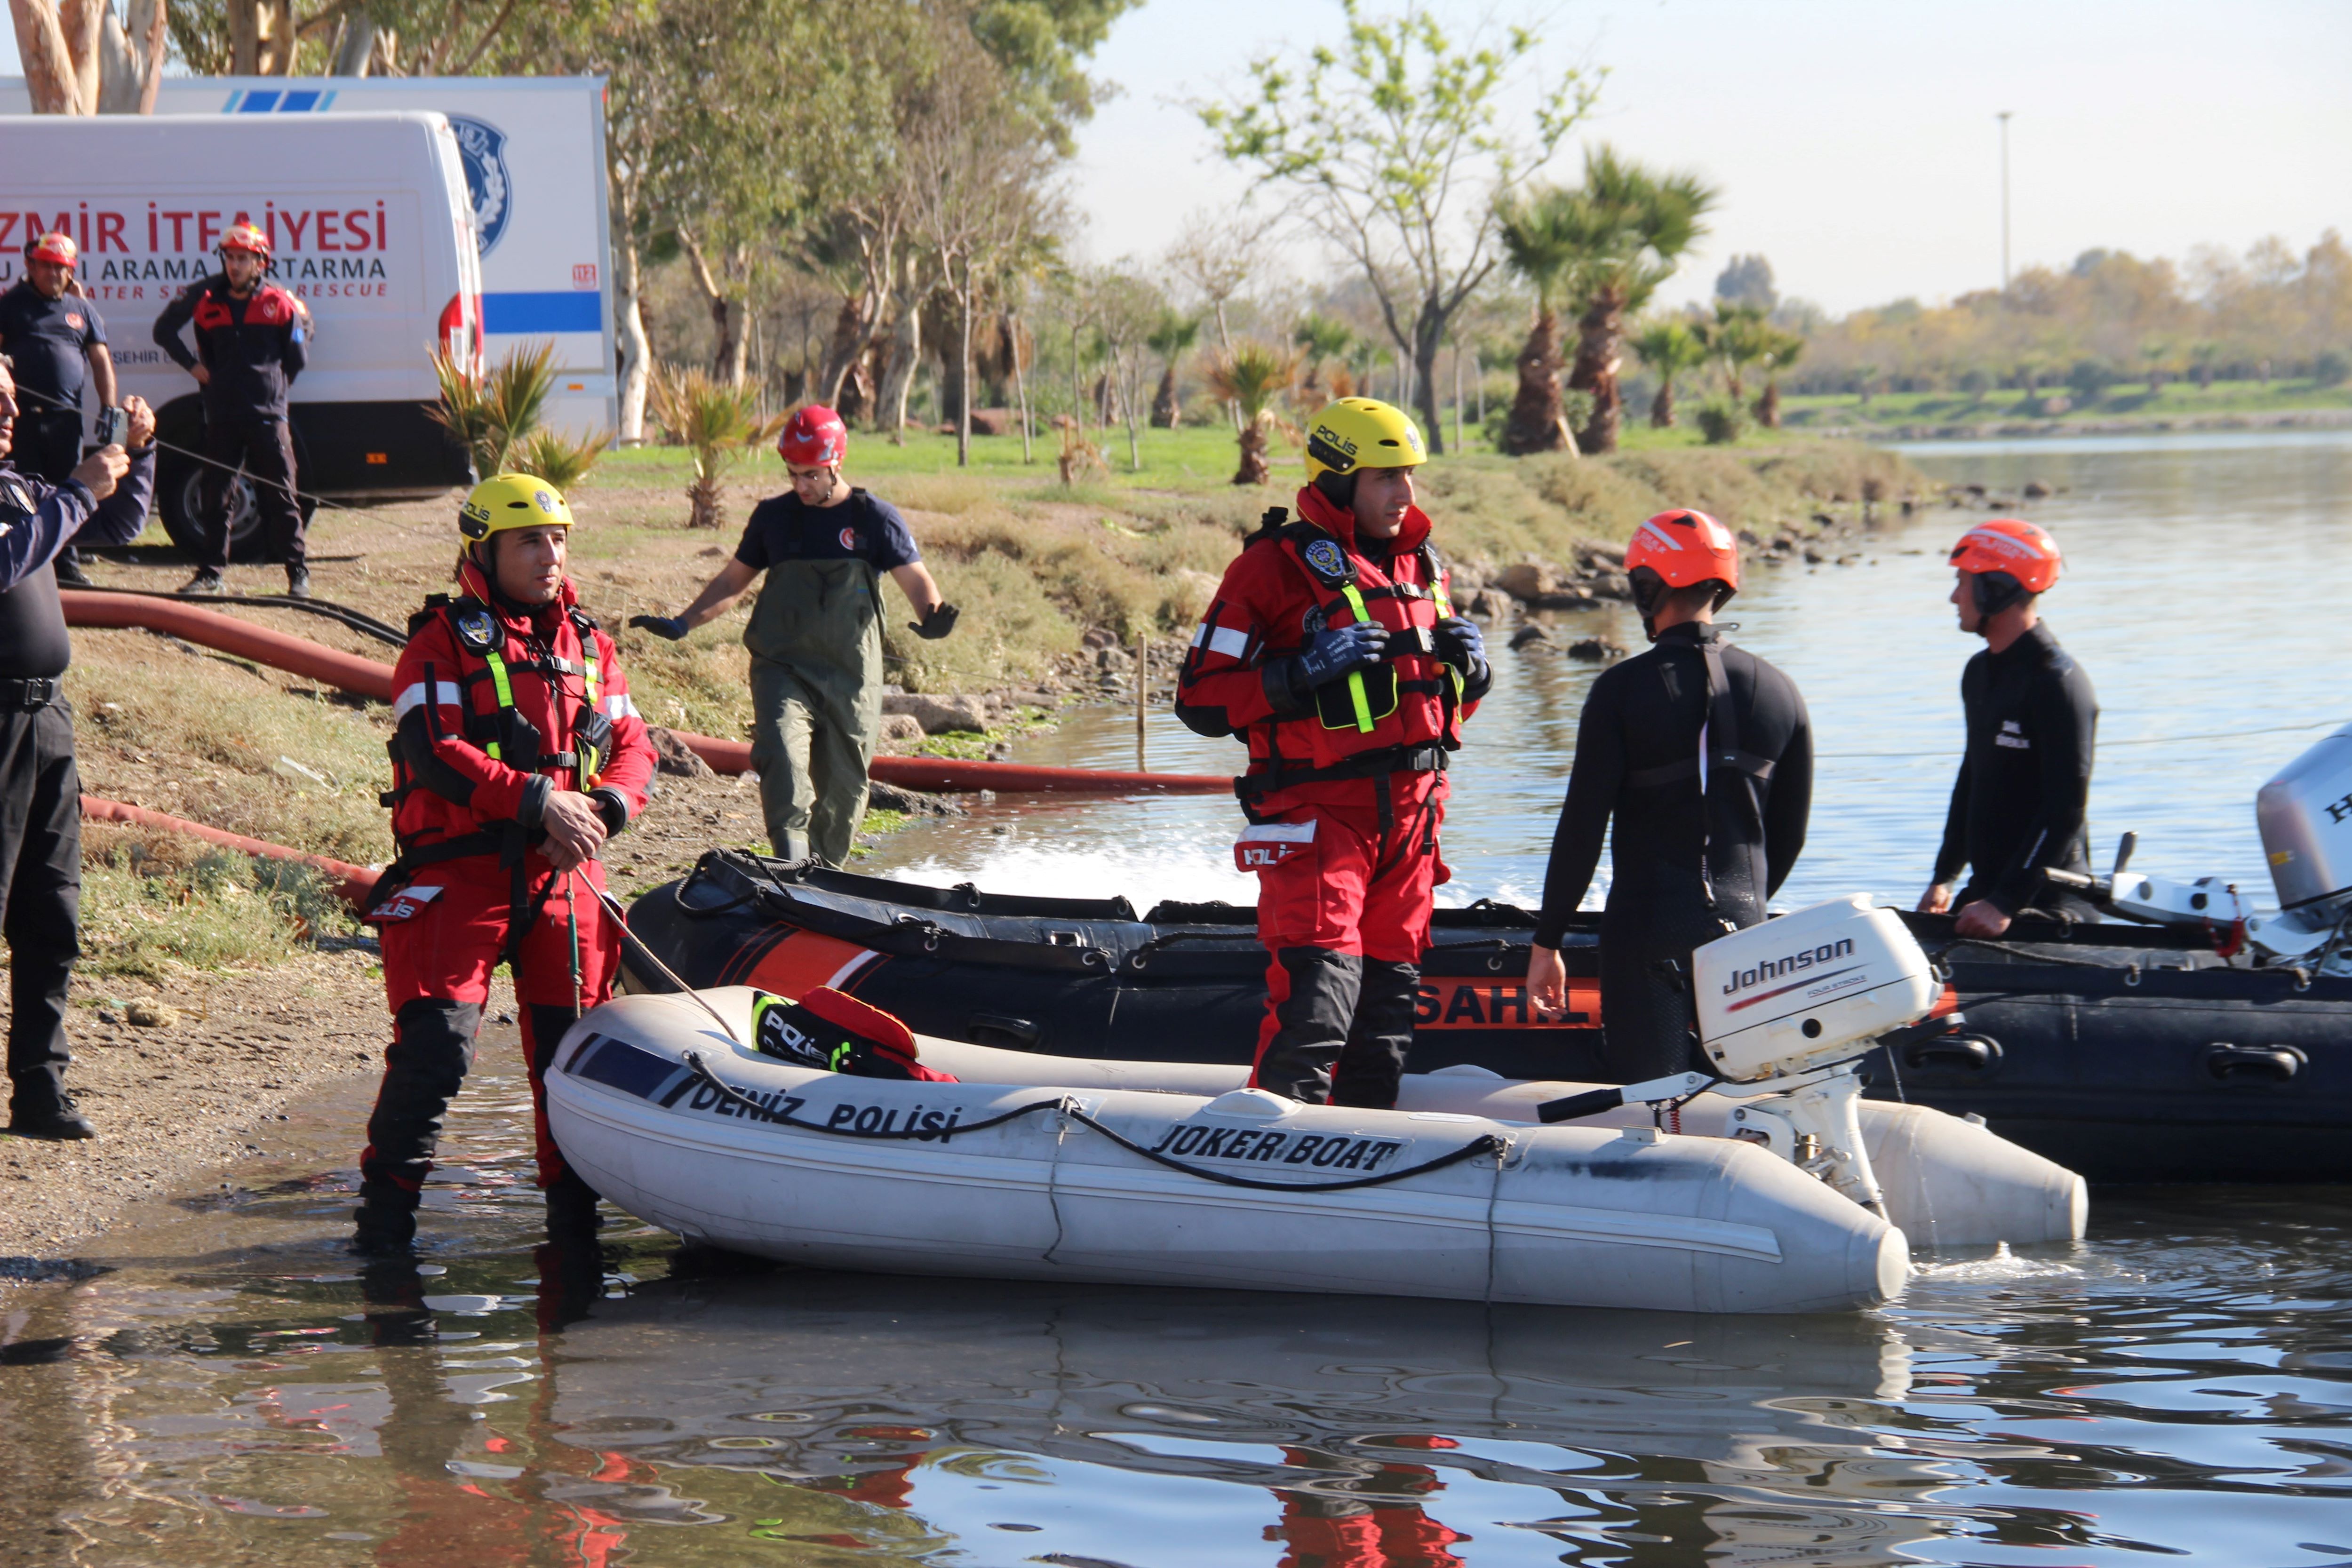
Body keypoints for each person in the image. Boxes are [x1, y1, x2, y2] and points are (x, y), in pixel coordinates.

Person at [351, 473, 657, 1251]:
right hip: (463, 877)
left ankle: (574, 1235)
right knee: (436, 1049)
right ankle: (383, 1231)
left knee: (573, 1064)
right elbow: (433, 750)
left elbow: (633, 746)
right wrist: (533, 800)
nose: (549, 554)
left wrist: (602, 811)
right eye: (530, 540)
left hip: (565, 877)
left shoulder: (590, 644)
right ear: (483, 550)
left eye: (557, 538)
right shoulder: (438, 641)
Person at [1175, 397, 1491, 1108]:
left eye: (1408, 475)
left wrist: (1474, 673)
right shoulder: (1269, 567)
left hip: (1410, 827)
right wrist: (1299, 672)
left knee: (1384, 1027)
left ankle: (1360, 1167)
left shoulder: (1422, 564)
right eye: (1386, 477)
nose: (1403, 493)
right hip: (1319, 819)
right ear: (1341, 477)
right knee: (1318, 1007)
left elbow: (1438, 712)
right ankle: (1270, 1158)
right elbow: (1198, 699)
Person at [1525, 509, 1812, 1082]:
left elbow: (1581, 828)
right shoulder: (1782, 692)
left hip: (1648, 928)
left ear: (1646, 585)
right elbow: (1788, 834)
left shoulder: (1621, 691)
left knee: (1655, 1112)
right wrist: (1738, 906)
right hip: (1746, 929)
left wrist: (1546, 941)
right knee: (1744, 1106)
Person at [628, 405, 956, 866]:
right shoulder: (774, 518)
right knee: (782, 759)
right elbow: (732, 582)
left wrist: (933, 614)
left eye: (810, 476)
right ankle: (790, 865)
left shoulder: (875, 519)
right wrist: (684, 622)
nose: (800, 486)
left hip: (851, 677)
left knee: (845, 791)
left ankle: (823, 877)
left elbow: (916, 579)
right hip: (782, 668)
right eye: (793, 474)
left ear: (835, 462)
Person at [0, 356, 156, 1139]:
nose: (8, 412)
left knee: (52, 911)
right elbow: (6, 561)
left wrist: (139, 455)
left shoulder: (24, 488)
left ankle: (40, 1087)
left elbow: (120, 527)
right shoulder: (37, 500)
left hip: (47, 721)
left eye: (8, 399)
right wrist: (75, 493)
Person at [1919, 518, 2097, 936]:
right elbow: (1972, 777)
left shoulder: (2058, 683)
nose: (1953, 597)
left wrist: (2005, 902)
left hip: (2047, 904)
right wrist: (1944, 876)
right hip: (1987, 894)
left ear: (1994, 588)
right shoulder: (1979, 673)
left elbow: (2065, 810)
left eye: (1962, 582)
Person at [152, 221, 312, 598]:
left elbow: (297, 358)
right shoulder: (207, 302)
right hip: (222, 414)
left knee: (282, 494)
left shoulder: (279, 303)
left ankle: (298, 573)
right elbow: (186, 340)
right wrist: (194, 367)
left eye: (243, 258)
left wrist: (269, 388)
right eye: (230, 258)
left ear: (261, 262)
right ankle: (211, 574)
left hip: (268, 416)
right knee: (216, 495)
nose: (235, 265)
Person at [0, 233, 116, 587]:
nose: (54, 274)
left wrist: (110, 407)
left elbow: (101, 360)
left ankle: (69, 562)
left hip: (67, 419)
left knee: (71, 486)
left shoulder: (81, 310)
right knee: (26, 500)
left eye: (61, 268)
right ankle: (31, 568)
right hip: (21, 421)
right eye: (47, 266)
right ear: (31, 266)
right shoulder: (10, 305)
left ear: (71, 272)